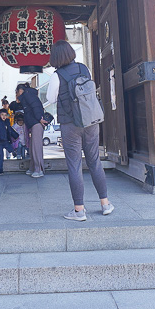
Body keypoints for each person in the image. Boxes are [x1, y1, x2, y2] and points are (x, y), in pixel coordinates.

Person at [50, 40, 113, 221]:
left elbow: (51, 98)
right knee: (95, 162)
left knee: (74, 165)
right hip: (91, 121)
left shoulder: (57, 75)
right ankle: (105, 204)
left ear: (55, 57)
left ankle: (79, 211)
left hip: (70, 124)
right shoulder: (83, 68)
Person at [16, 81, 47, 178]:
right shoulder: (28, 95)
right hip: (34, 123)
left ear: (21, 90)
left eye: (17, 91)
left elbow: (36, 106)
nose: (17, 94)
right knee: (33, 147)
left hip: (36, 123)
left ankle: (39, 169)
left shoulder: (28, 95)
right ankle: (33, 167)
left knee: (36, 148)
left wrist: (39, 118)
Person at [0, 108, 19, 174]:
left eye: (5, 115)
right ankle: (0, 169)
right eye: (2, 115)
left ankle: (13, 152)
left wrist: (16, 135)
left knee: (9, 147)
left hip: (5, 140)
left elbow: (10, 129)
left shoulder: (7, 122)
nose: (4, 117)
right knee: (1, 155)